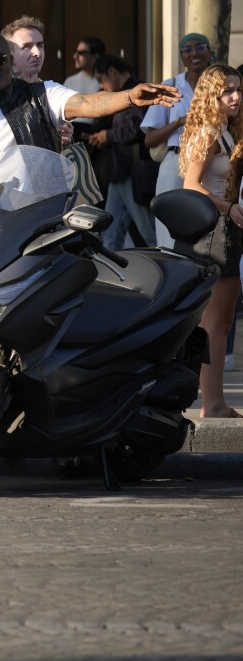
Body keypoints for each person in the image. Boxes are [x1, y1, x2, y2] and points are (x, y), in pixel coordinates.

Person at [0, 32, 178, 182]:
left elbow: (87, 102)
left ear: (10, 60)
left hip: (39, 217)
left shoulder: (41, 94)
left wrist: (129, 97)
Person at [179, 64, 243, 419]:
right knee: (214, 322)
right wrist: (228, 207)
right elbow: (191, 186)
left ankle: (215, 401)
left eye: (237, 89)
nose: (235, 97)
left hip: (226, 228)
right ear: (211, 96)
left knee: (223, 319)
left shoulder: (223, 130)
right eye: (227, 91)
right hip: (213, 232)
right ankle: (212, 403)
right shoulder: (207, 132)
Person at [143, 33, 214, 248]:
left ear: (209, 52)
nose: (194, 53)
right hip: (175, 161)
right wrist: (178, 122)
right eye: (188, 49)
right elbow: (149, 140)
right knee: (168, 222)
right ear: (182, 57)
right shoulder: (170, 86)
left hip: (210, 161)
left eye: (200, 47)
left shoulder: (218, 85)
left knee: (209, 219)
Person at [85, 53, 156, 250]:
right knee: (111, 232)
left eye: (101, 80)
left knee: (149, 232)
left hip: (133, 172)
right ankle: (112, 275)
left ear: (112, 71)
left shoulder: (137, 91)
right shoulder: (125, 92)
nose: (102, 86)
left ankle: (171, 269)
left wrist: (107, 136)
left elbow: (136, 129)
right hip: (121, 172)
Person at [2, 15, 46, 84]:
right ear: (9, 55)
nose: (37, 53)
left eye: (39, 45)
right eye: (27, 47)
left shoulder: (50, 90)